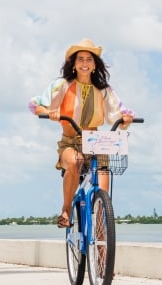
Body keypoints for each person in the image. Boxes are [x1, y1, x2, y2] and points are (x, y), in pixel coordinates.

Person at [29, 39, 135, 228]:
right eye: (80, 59)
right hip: (71, 141)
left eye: (89, 59)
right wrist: (49, 112)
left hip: (96, 142)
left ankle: (103, 244)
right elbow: (36, 105)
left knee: (103, 201)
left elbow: (118, 111)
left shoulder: (103, 90)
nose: (85, 63)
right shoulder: (62, 85)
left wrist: (126, 118)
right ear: (74, 64)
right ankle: (66, 210)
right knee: (74, 161)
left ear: (95, 65)